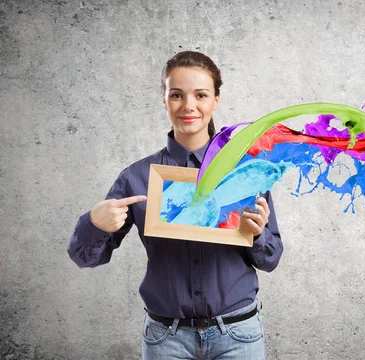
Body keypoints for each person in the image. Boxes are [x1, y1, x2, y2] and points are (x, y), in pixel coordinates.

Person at [68, 51, 283, 359]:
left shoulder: (245, 172)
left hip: (238, 335)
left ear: (216, 100)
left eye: (201, 95)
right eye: (177, 95)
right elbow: (85, 257)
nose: (189, 106)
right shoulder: (138, 177)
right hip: (166, 339)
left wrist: (259, 234)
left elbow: (271, 260)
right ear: (164, 100)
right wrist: (94, 224)